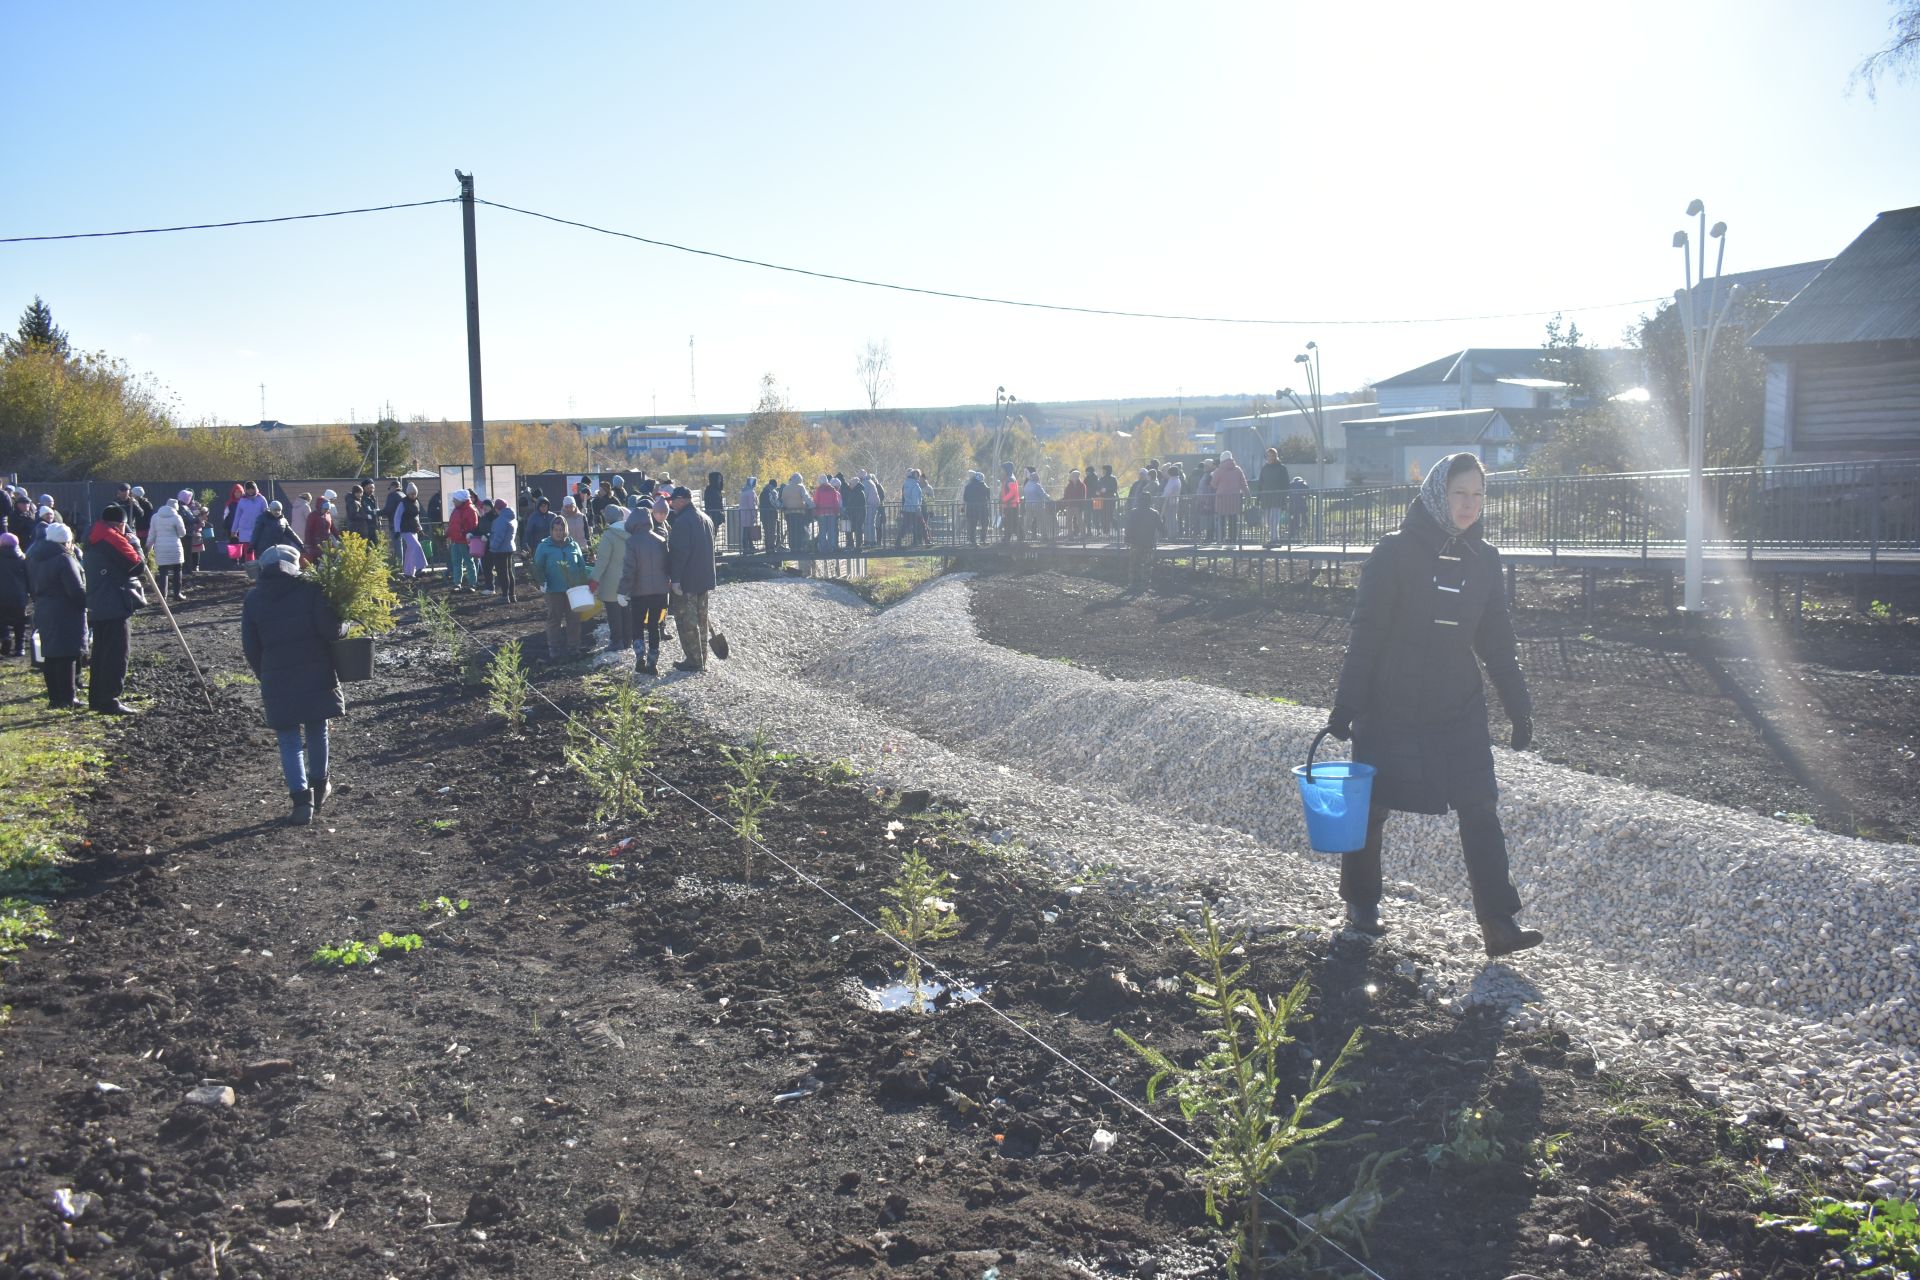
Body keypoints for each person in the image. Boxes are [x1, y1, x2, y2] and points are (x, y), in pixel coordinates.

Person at [1325, 452, 1541, 958]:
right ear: (1437, 494)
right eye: (1459, 494)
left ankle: (1498, 922)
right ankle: (1362, 905)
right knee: (1373, 806)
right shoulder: (1394, 552)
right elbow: (1367, 634)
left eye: (1478, 496)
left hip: (1457, 705)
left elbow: (1497, 641)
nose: (1469, 505)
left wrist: (1518, 706)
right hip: (1391, 701)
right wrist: (1345, 705)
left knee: (1479, 804)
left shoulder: (1484, 559)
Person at [241, 544, 347, 826]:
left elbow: (250, 646)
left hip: (276, 675)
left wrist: (265, 674)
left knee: (288, 740)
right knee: (317, 728)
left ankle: (301, 801)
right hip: (316, 671)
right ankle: (320, 784)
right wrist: (345, 625)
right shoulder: (311, 590)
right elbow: (330, 630)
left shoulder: (253, 599)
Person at [83, 504, 145, 715]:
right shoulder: (113, 538)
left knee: (100, 652)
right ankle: (109, 698)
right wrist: (135, 544)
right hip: (114, 602)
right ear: (121, 524)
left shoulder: (93, 534)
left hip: (97, 602)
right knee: (117, 653)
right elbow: (137, 566)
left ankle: (97, 697)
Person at [26, 523, 85, 707]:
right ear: (66, 541)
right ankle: (68, 698)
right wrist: (86, 604)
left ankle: (55, 698)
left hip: (44, 608)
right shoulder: (64, 558)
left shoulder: (34, 556)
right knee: (67, 654)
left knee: (51, 654)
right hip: (65, 610)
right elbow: (75, 590)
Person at [666, 486, 717, 672]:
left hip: (687, 580)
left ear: (682, 499)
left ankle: (694, 660)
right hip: (704, 578)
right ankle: (702, 657)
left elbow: (680, 553)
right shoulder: (706, 518)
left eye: (673, 500)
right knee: (702, 620)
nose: (671, 503)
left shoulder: (682, 522)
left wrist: (676, 579)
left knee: (687, 622)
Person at [619, 501, 671, 676]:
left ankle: (640, 657)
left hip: (639, 593)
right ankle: (653, 662)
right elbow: (668, 566)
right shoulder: (661, 540)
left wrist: (622, 591)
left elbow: (629, 570)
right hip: (660, 592)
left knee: (637, 625)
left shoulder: (631, 542)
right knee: (655, 626)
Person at [532, 515, 587, 660]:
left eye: (561, 529)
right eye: (556, 530)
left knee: (574, 620)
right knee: (554, 619)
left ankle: (573, 648)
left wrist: (584, 584)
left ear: (566, 530)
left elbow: (581, 566)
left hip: (573, 590)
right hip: (554, 589)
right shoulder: (544, 546)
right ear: (551, 530)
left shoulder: (573, 545)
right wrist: (541, 581)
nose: (559, 532)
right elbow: (538, 567)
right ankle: (554, 649)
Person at [588, 504, 632, 655]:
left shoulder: (609, 535)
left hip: (612, 581)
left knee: (614, 613)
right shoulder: (631, 532)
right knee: (626, 610)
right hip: (628, 579)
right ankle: (628, 640)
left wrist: (594, 578)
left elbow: (602, 561)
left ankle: (616, 641)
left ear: (608, 518)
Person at [1123, 477, 1165, 591]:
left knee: (1134, 564)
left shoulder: (1133, 512)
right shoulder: (1154, 513)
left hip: (1135, 542)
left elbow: (1128, 527)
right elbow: (1161, 527)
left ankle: (1132, 583)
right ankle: (1145, 584)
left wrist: (1127, 538)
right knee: (1146, 564)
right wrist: (1164, 535)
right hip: (1148, 542)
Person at [148, 495, 190, 599]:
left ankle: (163, 596)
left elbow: (152, 534)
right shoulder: (176, 517)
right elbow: (182, 533)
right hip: (175, 546)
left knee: (163, 571)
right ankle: (177, 594)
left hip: (160, 547)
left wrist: (147, 548)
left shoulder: (155, 517)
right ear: (176, 508)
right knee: (177, 570)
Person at [444, 489, 479, 591]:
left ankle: (472, 584)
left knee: (469, 562)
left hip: (465, 541)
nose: (453, 501)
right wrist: (446, 535)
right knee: (456, 563)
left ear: (460, 500)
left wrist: (467, 534)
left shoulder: (470, 510)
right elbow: (452, 525)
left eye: (455, 499)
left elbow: (474, 526)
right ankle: (457, 583)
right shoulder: (457, 509)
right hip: (455, 540)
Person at [1212, 450, 1249, 546]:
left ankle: (1221, 539)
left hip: (1221, 499)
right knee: (1233, 520)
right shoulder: (1238, 469)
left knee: (1221, 520)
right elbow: (1244, 483)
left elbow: (1213, 484)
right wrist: (1247, 495)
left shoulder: (1218, 470)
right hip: (1235, 499)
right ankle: (1233, 539)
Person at [485, 498, 519, 602]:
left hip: (500, 550)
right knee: (509, 572)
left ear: (497, 508)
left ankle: (505, 596)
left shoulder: (500, 520)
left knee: (503, 574)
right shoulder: (512, 518)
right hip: (510, 547)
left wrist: (493, 548)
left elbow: (498, 537)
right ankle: (512, 595)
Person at [0, 532, 28, 657]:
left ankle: (5, 636)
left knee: (1, 619)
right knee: (20, 622)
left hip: (1, 595)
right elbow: (29, 577)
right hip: (19, 596)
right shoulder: (22, 558)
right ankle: (20, 648)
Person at [1257, 448, 1291, 547]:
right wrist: (1259, 497)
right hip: (1266, 497)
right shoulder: (1264, 468)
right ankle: (1272, 537)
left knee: (1274, 519)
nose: (1270, 457)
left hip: (1277, 497)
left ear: (1276, 456)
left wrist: (1284, 496)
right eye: (1268, 455)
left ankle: (1274, 539)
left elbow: (1286, 483)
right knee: (1267, 520)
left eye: (1272, 455)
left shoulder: (1281, 468)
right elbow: (1260, 483)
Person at [394, 483, 426, 578]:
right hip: (405, 529)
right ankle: (420, 567)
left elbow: (417, 517)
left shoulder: (416, 502)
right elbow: (397, 517)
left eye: (415, 493)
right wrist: (397, 530)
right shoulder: (403, 503)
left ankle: (408, 572)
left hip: (413, 528)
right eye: (411, 494)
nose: (413, 495)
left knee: (410, 550)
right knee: (416, 546)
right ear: (407, 494)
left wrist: (420, 529)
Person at [229, 482, 268, 559]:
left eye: (252, 489)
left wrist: (267, 527)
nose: (250, 491)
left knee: (259, 551)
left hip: (258, 529)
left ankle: (260, 568)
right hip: (244, 530)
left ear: (255, 489)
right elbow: (237, 516)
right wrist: (234, 530)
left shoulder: (261, 499)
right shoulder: (242, 500)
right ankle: (251, 568)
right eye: (248, 489)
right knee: (248, 551)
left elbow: (266, 514)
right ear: (245, 490)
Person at [780, 473, 812, 558]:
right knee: (799, 530)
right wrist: (813, 505)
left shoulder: (785, 488)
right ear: (799, 480)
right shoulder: (800, 487)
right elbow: (806, 497)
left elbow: (783, 499)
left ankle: (792, 547)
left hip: (788, 513)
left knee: (791, 530)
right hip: (799, 512)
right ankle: (799, 547)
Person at [178, 490, 207, 580]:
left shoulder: (193, 506)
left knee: (192, 551)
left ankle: (192, 567)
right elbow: (187, 519)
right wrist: (196, 520)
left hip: (192, 531)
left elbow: (196, 516)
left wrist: (200, 519)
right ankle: (187, 568)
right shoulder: (182, 508)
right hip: (187, 532)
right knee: (187, 552)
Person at [810, 474, 840, 556]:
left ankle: (822, 548)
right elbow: (836, 501)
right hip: (831, 512)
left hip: (821, 512)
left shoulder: (818, 490)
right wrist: (836, 511)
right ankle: (831, 547)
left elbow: (815, 501)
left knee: (822, 531)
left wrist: (814, 512)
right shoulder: (832, 489)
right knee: (831, 531)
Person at [303, 494, 338, 566]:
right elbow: (308, 531)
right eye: (325, 509)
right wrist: (308, 544)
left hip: (327, 543)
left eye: (328, 509)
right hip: (316, 544)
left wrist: (340, 537)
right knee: (317, 562)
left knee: (328, 562)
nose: (326, 511)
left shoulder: (328, 515)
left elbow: (332, 528)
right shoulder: (312, 516)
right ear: (320, 507)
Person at [962, 470, 991, 546]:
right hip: (983, 508)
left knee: (972, 525)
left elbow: (965, 498)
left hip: (971, 508)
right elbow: (988, 498)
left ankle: (973, 541)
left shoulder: (968, 486)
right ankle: (983, 540)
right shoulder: (985, 486)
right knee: (985, 523)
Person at [841, 473, 867, 551]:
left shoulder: (859, 492)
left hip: (858, 513)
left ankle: (858, 545)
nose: (849, 485)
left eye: (851, 484)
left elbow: (859, 504)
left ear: (854, 484)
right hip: (853, 513)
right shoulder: (854, 491)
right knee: (849, 528)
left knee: (857, 529)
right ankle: (851, 544)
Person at [1062, 469, 1088, 540]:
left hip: (1077, 506)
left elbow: (1083, 496)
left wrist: (1081, 506)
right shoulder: (1069, 485)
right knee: (1068, 521)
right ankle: (1070, 536)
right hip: (1069, 506)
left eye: (1075, 476)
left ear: (1077, 476)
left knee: (1080, 521)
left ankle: (1083, 535)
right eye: (1072, 476)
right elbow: (1066, 495)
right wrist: (1065, 504)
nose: (1073, 477)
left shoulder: (1082, 485)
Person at [998, 464, 1021, 543]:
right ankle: (1010, 537)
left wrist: (1003, 500)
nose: (1002, 471)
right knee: (1011, 522)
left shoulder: (1010, 479)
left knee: (1011, 522)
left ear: (1007, 470)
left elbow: (1012, 492)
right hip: (1010, 505)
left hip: (1011, 505)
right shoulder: (1009, 478)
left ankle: (1010, 538)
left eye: (1003, 470)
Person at [703, 471, 726, 548]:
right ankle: (711, 547)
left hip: (717, 513)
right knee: (712, 531)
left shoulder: (718, 489)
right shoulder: (709, 489)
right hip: (712, 513)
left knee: (715, 531)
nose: (720, 480)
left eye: (720, 478)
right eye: (718, 478)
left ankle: (712, 547)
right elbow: (709, 502)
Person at [759, 478, 782, 553]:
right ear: (774, 485)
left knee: (766, 532)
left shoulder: (763, 492)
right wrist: (782, 506)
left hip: (763, 515)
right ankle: (771, 548)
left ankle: (767, 548)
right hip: (771, 515)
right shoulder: (772, 492)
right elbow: (774, 503)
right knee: (772, 532)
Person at [739, 475, 761, 553]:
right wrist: (755, 514)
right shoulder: (751, 492)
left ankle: (747, 547)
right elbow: (752, 504)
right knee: (748, 530)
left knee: (746, 530)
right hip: (748, 512)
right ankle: (749, 547)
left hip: (743, 513)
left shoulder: (744, 491)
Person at [1097, 465, 1120, 537]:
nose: (1103, 471)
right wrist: (1098, 491)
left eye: (1104, 470)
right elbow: (1098, 487)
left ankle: (1116, 529)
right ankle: (1105, 532)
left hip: (1110, 499)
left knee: (1110, 515)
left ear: (1107, 470)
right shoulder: (1101, 479)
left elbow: (1114, 488)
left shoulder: (1113, 479)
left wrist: (1106, 489)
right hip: (1102, 499)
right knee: (1103, 515)